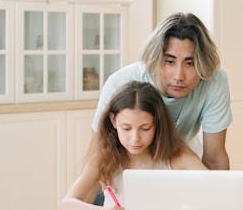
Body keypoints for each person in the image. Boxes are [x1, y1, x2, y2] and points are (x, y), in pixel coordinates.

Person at [92, 12, 232, 170]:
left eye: (190, 63)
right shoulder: (120, 83)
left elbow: (214, 157)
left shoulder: (214, 81)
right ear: (155, 58)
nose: (179, 76)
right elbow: (98, 154)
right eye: (169, 61)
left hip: (179, 159)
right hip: (124, 164)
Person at [60, 81, 206, 210]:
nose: (135, 138)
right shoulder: (104, 157)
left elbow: (214, 191)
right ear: (113, 120)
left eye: (145, 128)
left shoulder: (176, 155)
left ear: (157, 124)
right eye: (126, 128)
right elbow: (65, 207)